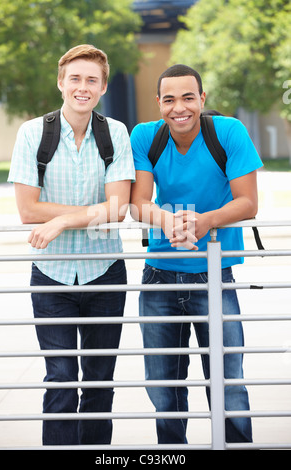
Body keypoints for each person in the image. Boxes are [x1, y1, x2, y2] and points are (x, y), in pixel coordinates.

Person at [8, 44, 135, 446]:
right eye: (75, 78)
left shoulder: (115, 133)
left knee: (99, 381)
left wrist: (62, 218)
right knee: (60, 380)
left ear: (102, 87)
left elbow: (118, 209)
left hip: (105, 272)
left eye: (91, 80)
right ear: (61, 82)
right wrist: (86, 212)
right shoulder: (32, 133)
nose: (83, 87)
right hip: (51, 274)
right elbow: (28, 211)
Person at [130, 64, 263, 444]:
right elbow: (138, 203)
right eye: (169, 99)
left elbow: (248, 202)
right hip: (159, 275)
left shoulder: (229, 132)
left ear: (202, 99)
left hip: (215, 273)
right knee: (163, 386)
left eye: (188, 97)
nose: (179, 108)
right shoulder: (145, 137)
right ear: (158, 103)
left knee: (228, 382)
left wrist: (206, 221)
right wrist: (168, 221)